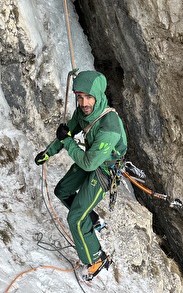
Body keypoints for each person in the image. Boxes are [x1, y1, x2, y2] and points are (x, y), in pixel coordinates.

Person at [35, 70, 127, 281]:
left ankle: (96, 258)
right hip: (92, 159)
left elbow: (88, 163)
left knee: (75, 217)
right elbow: (66, 132)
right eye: (80, 97)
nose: (84, 102)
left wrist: (68, 142)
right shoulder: (83, 112)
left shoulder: (109, 126)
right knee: (62, 191)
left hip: (103, 169)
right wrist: (48, 152)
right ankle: (92, 218)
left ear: (98, 96)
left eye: (89, 97)